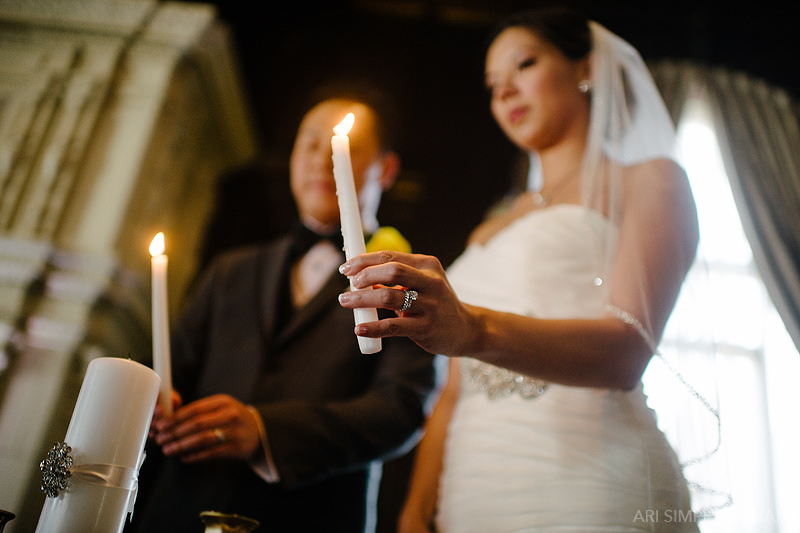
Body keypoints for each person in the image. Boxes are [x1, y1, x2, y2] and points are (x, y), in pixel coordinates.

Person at [338, 7, 702, 532]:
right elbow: (455, 387)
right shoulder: (489, 230)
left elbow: (627, 350)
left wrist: (472, 327)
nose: (505, 92)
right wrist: (417, 508)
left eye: (525, 65)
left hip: (590, 479)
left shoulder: (650, 181)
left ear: (587, 68)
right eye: (492, 84)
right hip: (475, 485)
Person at [128, 89, 438, 532]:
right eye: (309, 144)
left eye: (340, 146)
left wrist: (266, 432)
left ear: (386, 169)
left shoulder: (405, 283)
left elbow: (402, 410)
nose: (320, 159)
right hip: (182, 508)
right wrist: (155, 401)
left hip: (313, 516)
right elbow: (172, 369)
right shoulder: (229, 271)